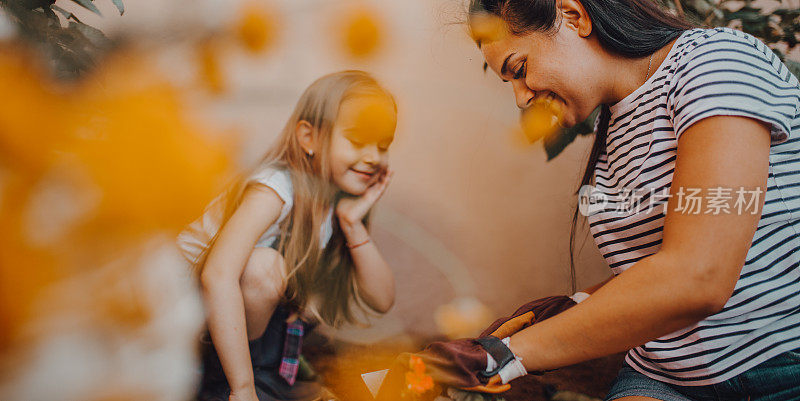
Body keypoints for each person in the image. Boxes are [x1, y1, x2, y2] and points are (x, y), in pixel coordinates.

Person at [378, 1, 800, 400]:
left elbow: (699, 277)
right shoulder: (614, 126)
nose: (521, 98)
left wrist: (504, 357)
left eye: (520, 69)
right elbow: (656, 264)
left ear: (572, 15)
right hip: (665, 375)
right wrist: (573, 306)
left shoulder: (716, 63)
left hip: (778, 364)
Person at [177, 70, 398, 401]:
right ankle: (229, 385)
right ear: (308, 138)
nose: (373, 158)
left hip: (249, 337)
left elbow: (382, 299)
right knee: (264, 268)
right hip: (184, 316)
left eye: (383, 146)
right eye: (356, 141)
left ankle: (268, 379)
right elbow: (217, 276)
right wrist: (243, 389)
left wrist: (352, 224)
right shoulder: (275, 187)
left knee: (305, 292)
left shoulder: (335, 202)